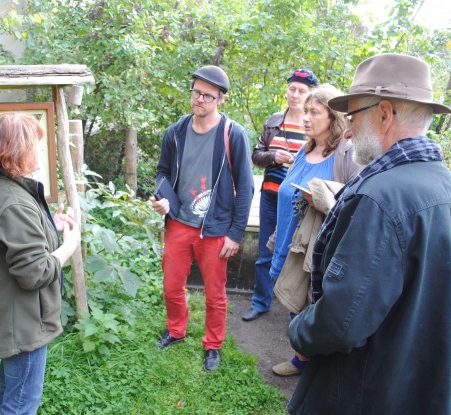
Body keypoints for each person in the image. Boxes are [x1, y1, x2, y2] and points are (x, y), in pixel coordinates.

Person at [287, 53, 451, 414]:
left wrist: (300, 333)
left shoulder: (380, 196)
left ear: (385, 113)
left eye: (355, 115)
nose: (351, 129)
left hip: (362, 393)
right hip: (421, 393)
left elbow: (341, 323)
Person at [0, 113, 81, 414]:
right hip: (21, 323)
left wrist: (48, 226)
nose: (38, 152)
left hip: (4, 314)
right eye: (34, 145)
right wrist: (69, 246)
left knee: (13, 393)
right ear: (15, 151)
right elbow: (35, 272)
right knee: (20, 406)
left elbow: (9, 240)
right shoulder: (12, 201)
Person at [150, 65, 254, 372]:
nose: (200, 100)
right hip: (180, 222)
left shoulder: (232, 135)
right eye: (196, 92)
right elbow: (162, 173)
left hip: (214, 228)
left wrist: (235, 233)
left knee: (215, 292)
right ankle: (176, 330)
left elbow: (245, 186)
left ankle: (212, 345)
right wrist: (164, 199)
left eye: (208, 96)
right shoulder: (176, 132)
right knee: (171, 285)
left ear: (220, 99)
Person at [261, 84, 362, 377]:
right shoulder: (304, 152)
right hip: (288, 240)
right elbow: (288, 197)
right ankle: (304, 359)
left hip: (315, 247)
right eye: (305, 111)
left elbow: (355, 202)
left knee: (310, 304)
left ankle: (308, 363)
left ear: (333, 117)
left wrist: (322, 197)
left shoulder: (347, 154)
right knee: (294, 300)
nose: (305, 117)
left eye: (314, 112)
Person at [243, 69, 319, 322]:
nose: (295, 95)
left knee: (295, 253)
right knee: (265, 252)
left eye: (302, 91)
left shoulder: (315, 124)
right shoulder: (274, 121)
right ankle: (260, 302)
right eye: (292, 89)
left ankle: (293, 309)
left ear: (310, 95)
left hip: (300, 203)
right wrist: (273, 157)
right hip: (270, 196)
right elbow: (257, 155)